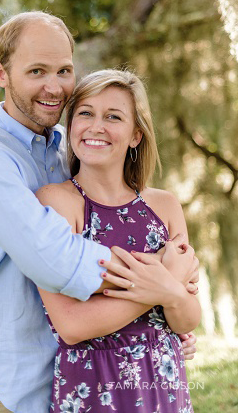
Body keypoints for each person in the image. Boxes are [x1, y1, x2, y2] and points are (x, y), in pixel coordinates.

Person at [0, 12, 199, 412]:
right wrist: (164, 281)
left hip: (112, 381)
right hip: (20, 388)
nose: (54, 87)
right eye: (36, 71)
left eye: (64, 70)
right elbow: (57, 261)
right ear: (1, 72)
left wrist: (170, 316)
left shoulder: (72, 142)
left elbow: (184, 307)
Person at [36, 70, 199, 411]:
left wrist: (170, 294)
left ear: (136, 135)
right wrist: (165, 283)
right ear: (71, 125)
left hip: (163, 381)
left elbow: (186, 319)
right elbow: (72, 325)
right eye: (85, 113)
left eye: (113, 116)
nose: (97, 126)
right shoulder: (57, 202)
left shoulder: (164, 206)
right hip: (93, 384)